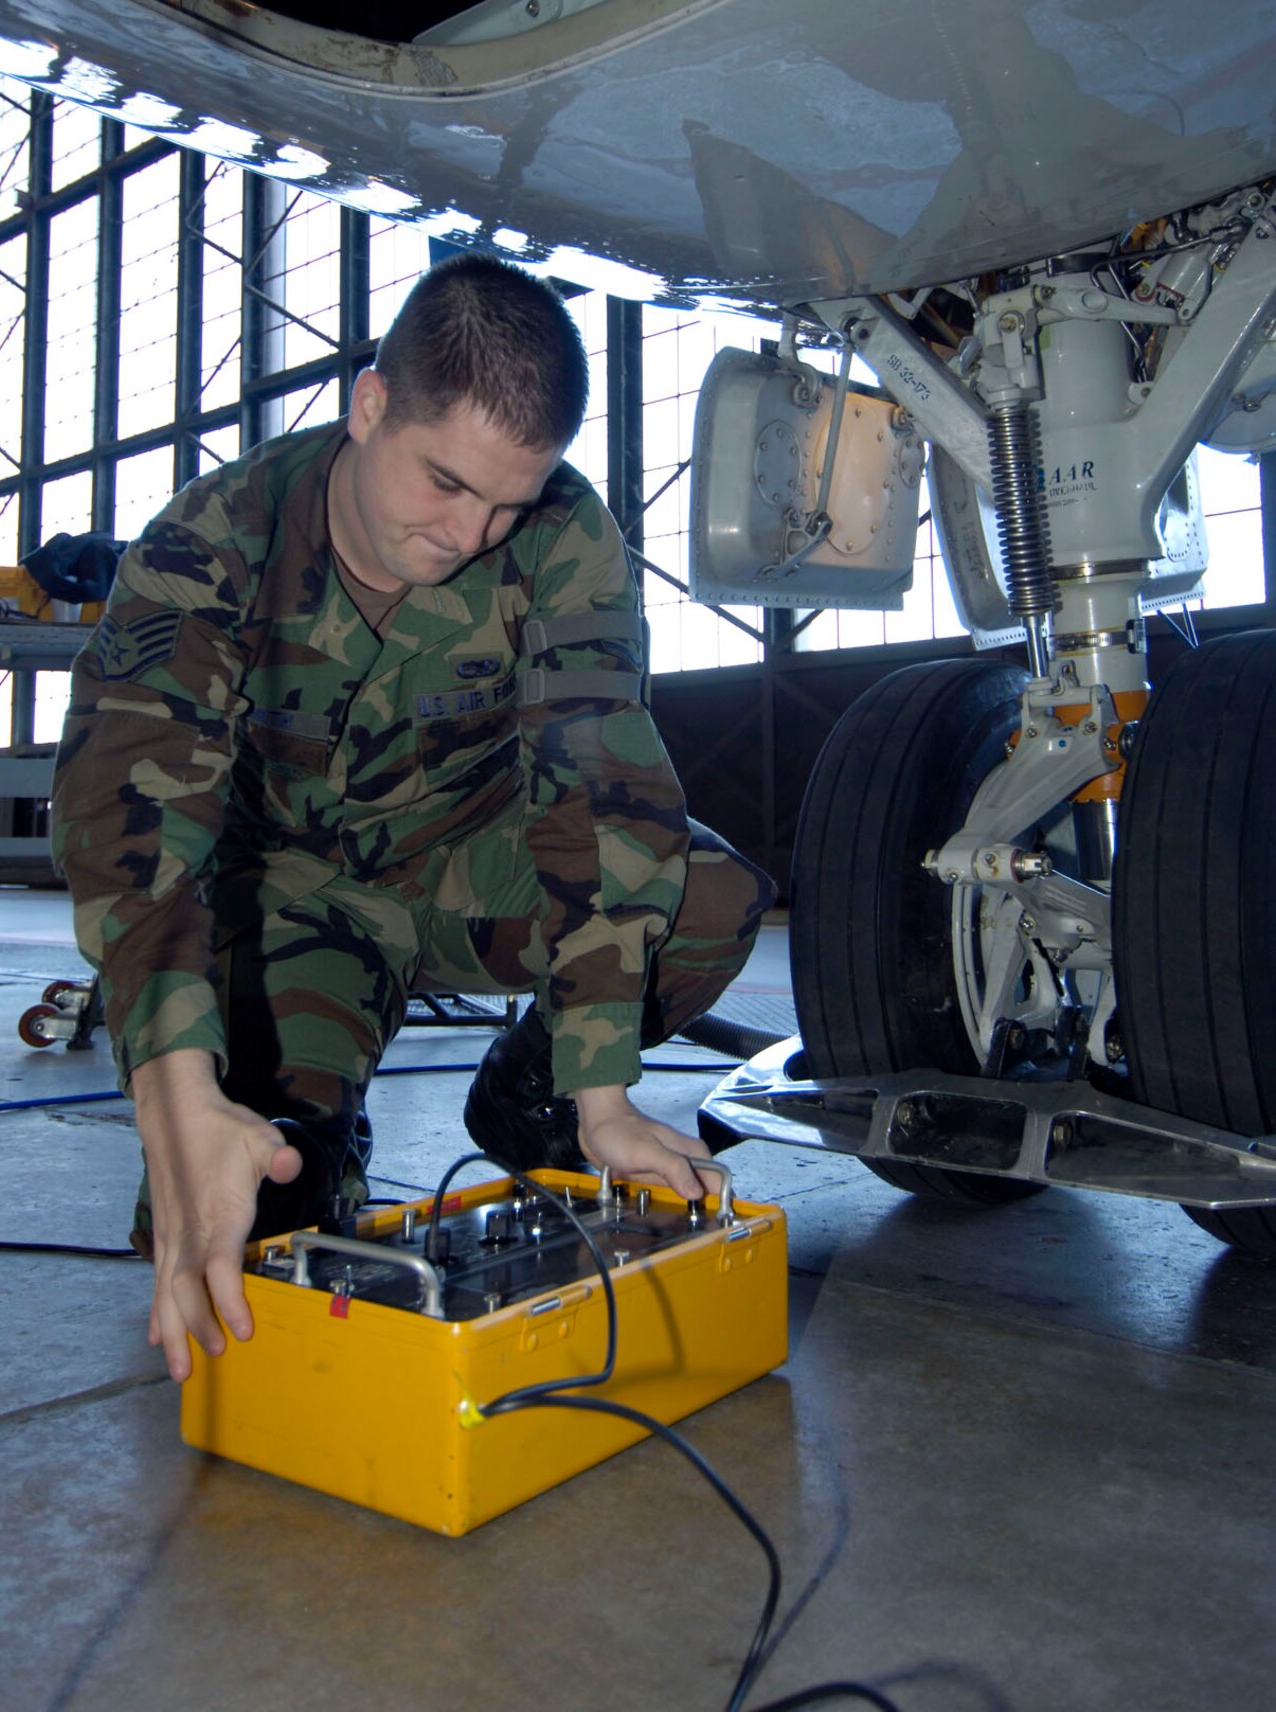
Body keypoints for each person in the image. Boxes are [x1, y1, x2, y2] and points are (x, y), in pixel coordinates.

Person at [51, 254, 775, 1383]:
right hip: (288, 895)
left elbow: (599, 784)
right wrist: (174, 1093)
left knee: (707, 896)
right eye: (444, 482)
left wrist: (603, 1089)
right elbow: (131, 817)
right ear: (369, 403)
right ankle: (320, 1122)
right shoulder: (214, 540)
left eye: (506, 503)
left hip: (464, 869)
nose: (471, 532)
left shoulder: (563, 534)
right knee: (239, 1230)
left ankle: (528, 1100)